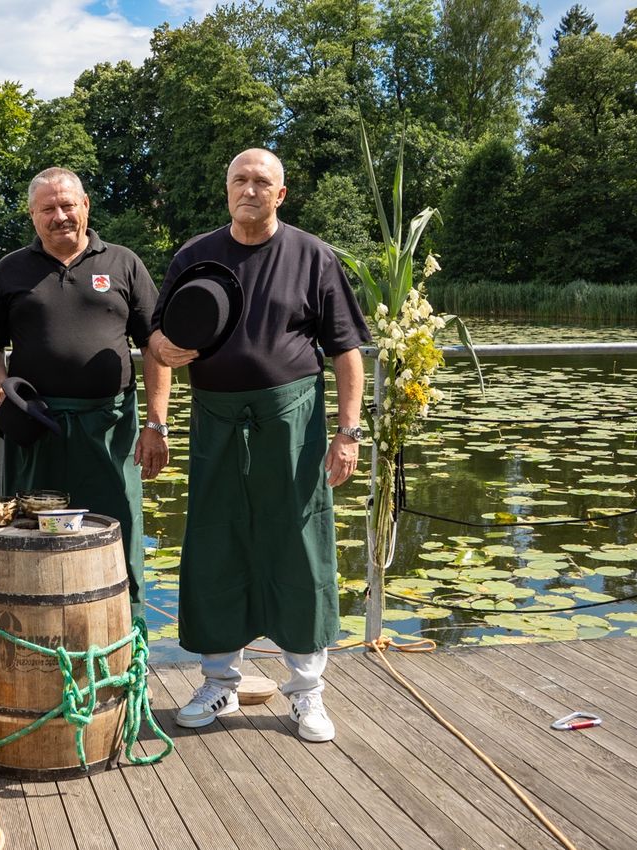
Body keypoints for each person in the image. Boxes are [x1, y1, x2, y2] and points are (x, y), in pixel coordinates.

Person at [149, 148, 369, 742]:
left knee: (298, 542)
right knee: (217, 540)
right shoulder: (195, 256)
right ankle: (220, 682)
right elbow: (159, 340)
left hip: (292, 419)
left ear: (281, 194)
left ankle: (307, 692)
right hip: (215, 419)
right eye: (239, 180)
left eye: (261, 181)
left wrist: (348, 433)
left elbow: (347, 351)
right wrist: (162, 378)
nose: (249, 189)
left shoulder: (313, 256)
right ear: (227, 191)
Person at [0, 168, 171, 617]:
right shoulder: (11, 269)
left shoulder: (123, 262)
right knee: (34, 537)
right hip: (37, 427)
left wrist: (156, 424)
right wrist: (2, 383)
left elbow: (155, 345)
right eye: (48, 208)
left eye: (68, 205)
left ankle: (128, 652)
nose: (60, 216)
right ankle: (36, 641)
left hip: (110, 428)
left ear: (85, 205)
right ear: (32, 216)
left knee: (116, 534)